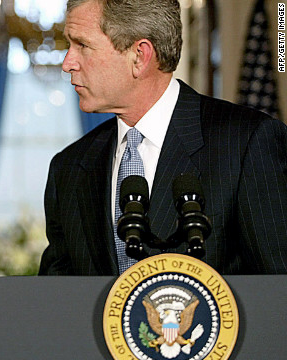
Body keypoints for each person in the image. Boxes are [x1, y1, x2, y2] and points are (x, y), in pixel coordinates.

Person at [39, 0, 287, 276]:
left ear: (140, 56)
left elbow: (278, 289)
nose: (67, 63)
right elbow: (55, 299)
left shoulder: (246, 143)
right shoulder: (69, 167)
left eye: (82, 45)